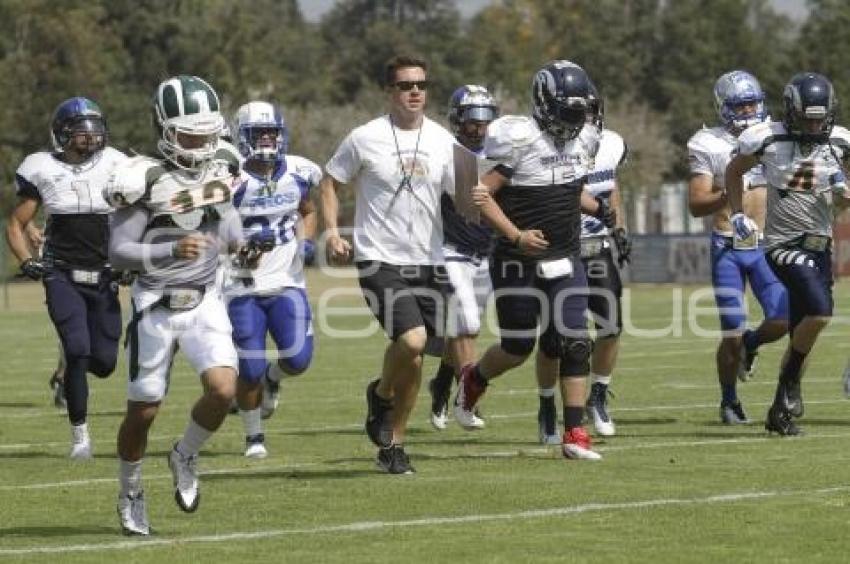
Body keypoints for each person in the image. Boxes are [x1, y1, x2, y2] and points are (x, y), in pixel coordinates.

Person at [106, 75, 245, 535]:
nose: (201, 144)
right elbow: (118, 252)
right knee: (143, 410)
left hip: (205, 299)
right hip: (156, 302)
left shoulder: (223, 161)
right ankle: (130, 490)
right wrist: (169, 249)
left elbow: (226, 220)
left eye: (207, 134)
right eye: (190, 135)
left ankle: (185, 453)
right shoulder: (143, 177)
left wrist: (241, 244)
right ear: (164, 129)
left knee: (224, 390)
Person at [455, 60, 614, 460]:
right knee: (518, 346)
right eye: (569, 110)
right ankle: (473, 379)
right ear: (545, 104)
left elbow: (569, 187)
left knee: (576, 340)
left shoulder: (584, 140)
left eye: (581, 110)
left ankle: (575, 432)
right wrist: (516, 235)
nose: (576, 118)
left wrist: (598, 209)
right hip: (516, 260)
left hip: (566, 255)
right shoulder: (519, 138)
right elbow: (480, 194)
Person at [320, 54, 456, 474]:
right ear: (389, 91)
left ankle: (393, 445)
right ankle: (380, 394)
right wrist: (331, 231)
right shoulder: (364, 138)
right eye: (405, 85)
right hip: (379, 257)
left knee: (415, 358)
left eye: (421, 84)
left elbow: (465, 195)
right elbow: (329, 182)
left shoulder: (443, 140)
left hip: (430, 261)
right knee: (412, 341)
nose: (415, 91)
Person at [726, 71, 850, 436]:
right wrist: (737, 212)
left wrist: (843, 196)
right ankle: (791, 381)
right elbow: (734, 172)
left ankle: (780, 411)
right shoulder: (766, 138)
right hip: (782, 244)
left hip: (820, 244)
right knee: (820, 312)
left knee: (802, 332)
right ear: (791, 111)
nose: (813, 125)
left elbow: (843, 198)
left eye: (819, 118)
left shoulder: (841, 141)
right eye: (807, 117)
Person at [6, 97, 126, 459]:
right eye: (81, 131)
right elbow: (16, 223)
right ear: (62, 134)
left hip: (104, 276)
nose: (89, 138)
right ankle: (81, 438)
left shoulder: (117, 163)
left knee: (103, 363)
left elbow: (135, 213)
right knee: (76, 349)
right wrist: (28, 261)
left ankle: (67, 377)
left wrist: (132, 256)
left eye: (94, 129)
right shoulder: (41, 168)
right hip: (62, 273)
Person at [687, 70, 788, 425]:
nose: (747, 112)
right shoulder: (707, 142)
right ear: (723, 107)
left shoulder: (776, 136)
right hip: (728, 244)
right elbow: (696, 204)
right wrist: (730, 191)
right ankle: (729, 400)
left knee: (783, 317)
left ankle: (753, 343)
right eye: (739, 105)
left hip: (767, 243)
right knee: (729, 332)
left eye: (752, 104)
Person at [534, 83, 630, 442]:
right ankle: (547, 405)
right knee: (555, 338)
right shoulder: (552, 146)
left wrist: (619, 228)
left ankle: (599, 395)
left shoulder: (613, 143)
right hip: (561, 248)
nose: (583, 118)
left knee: (611, 327)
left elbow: (611, 186)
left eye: (588, 110)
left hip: (597, 246)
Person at [224, 100, 319, 458]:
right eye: (258, 134)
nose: (266, 140)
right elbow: (218, 234)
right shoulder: (231, 180)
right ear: (241, 137)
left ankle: (273, 380)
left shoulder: (298, 171)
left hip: (287, 282)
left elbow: (307, 211)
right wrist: (243, 250)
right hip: (241, 285)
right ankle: (254, 437)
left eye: (271, 133)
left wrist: (306, 241)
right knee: (249, 367)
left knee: (298, 359)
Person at [427, 84, 499, 431]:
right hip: (451, 250)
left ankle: (443, 380)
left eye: (485, 119)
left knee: (464, 330)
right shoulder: (445, 153)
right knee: (466, 324)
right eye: (472, 120)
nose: (479, 127)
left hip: (485, 253)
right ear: (458, 120)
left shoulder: (499, 152)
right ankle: (468, 399)